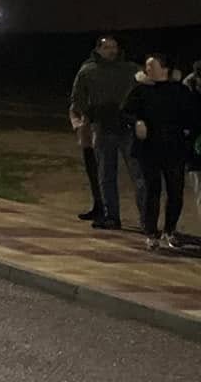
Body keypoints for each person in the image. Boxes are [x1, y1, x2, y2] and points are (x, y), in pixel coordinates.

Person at [123, 54, 201, 250]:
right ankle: (151, 232)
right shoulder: (140, 90)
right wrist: (136, 123)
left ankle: (170, 230)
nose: (147, 70)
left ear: (164, 69)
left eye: (152, 66)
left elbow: (192, 117)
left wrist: (187, 137)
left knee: (175, 192)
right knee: (152, 190)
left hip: (174, 148)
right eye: (147, 66)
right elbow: (125, 112)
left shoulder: (179, 91)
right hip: (148, 149)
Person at [69, 35, 143, 230]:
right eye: (107, 47)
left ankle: (147, 218)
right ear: (99, 49)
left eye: (114, 47)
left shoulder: (131, 69)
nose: (112, 51)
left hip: (127, 127)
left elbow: (144, 92)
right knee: (106, 173)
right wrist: (88, 116)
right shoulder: (88, 71)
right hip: (103, 127)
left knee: (138, 174)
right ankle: (111, 215)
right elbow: (78, 98)